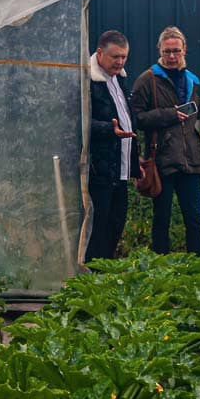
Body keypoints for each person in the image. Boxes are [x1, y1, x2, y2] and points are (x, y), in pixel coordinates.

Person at [130, 26, 200, 256]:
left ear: (184, 50)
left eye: (176, 51)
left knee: (194, 220)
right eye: (167, 51)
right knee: (161, 218)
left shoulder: (190, 79)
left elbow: (195, 109)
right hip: (162, 159)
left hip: (191, 159)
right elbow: (136, 118)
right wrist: (169, 114)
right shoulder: (147, 80)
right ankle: (159, 266)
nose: (172, 56)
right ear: (159, 51)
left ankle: (198, 267)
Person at [84, 29, 137, 262]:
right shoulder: (88, 81)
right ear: (99, 53)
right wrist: (108, 129)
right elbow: (77, 122)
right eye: (115, 56)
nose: (120, 62)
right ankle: (93, 271)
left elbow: (129, 120)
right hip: (99, 168)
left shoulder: (120, 79)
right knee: (99, 224)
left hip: (120, 168)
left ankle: (107, 270)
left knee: (117, 222)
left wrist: (135, 162)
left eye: (124, 56)